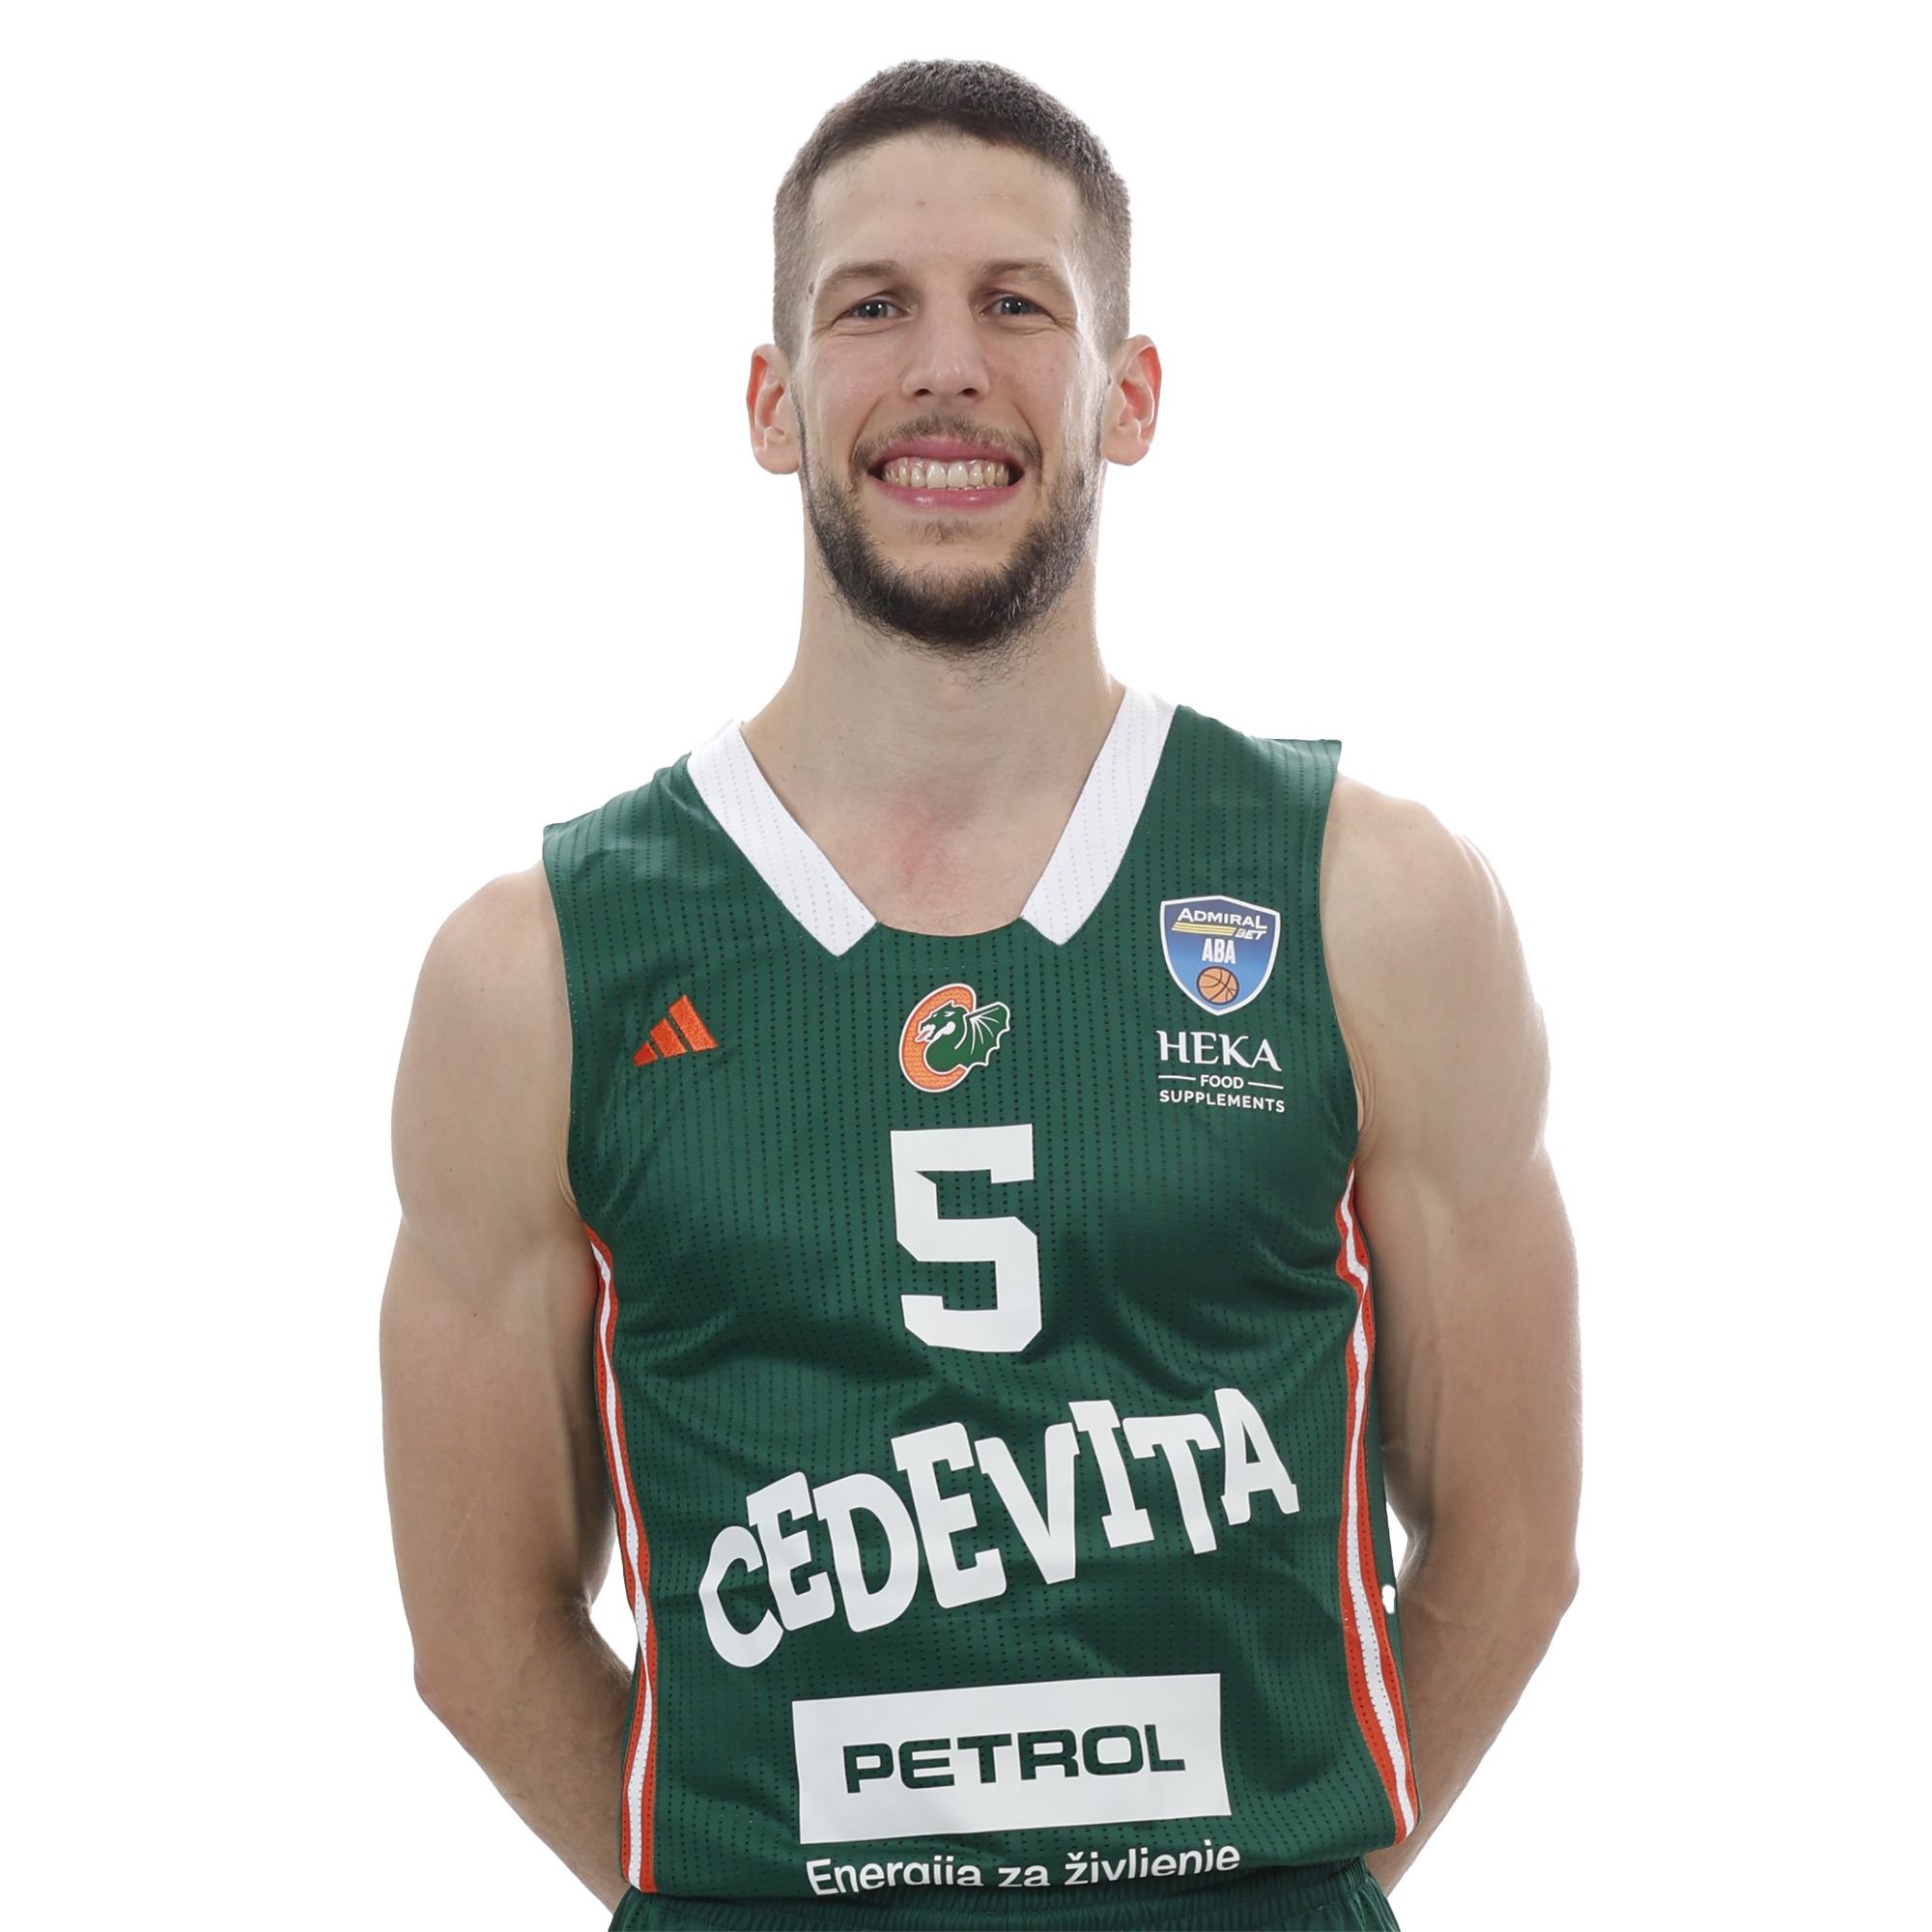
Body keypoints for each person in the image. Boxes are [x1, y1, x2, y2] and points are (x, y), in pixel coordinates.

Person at [381, 57, 1581, 1932]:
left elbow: (1509, 1538)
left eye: (1016, 304)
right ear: (773, 402)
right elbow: (478, 1629)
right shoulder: (537, 969)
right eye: (873, 308)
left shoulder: (1373, 900)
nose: (945, 368)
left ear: (1129, 392)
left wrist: (1276, 1883)